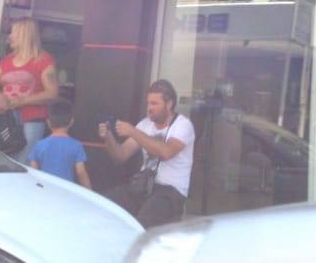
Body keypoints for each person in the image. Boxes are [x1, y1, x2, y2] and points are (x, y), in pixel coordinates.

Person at [100, 79, 195, 228]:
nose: (149, 108)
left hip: (171, 191)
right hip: (143, 185)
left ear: (169, 104)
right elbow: (120, 155)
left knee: (143, 223)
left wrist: (133, 131)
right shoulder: (145, 124)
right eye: (148, 103)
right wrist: (108, 137)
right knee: (104, 205)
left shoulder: (183, 125)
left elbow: (166, 152)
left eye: (154, 104)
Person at [0, 18, 58, 161]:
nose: (10, 36)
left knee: (24, 160)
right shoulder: (7, 60)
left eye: (14, 32)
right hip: (6, 118)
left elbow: (52, 93)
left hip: (31, 119)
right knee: (2, 158)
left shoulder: (44, 60)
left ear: (25, 35)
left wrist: (22, 101)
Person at [26, 98, 91, 188]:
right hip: (66, 191)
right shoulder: (76, 145)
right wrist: (89, 191)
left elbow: (33, 172)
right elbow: (81, 173)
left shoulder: (39, 145)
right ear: (71, 121)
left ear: (48, 122)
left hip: (45, 190)